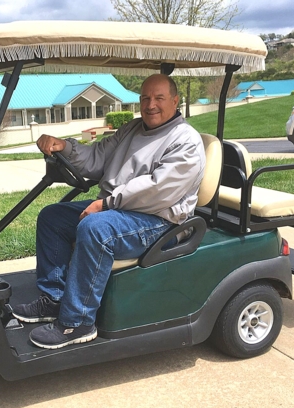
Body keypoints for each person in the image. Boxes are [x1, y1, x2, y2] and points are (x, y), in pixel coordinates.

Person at [12, 74, 206, 349]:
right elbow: (96, 159)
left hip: (159, 219)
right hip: (121, 209)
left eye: (159, 98)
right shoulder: (132, 129)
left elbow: (157, 190)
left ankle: (77, 322)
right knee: (52, 217)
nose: (151, 105)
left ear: (175, 101)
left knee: (95, 228)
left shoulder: (185, 141)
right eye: (145, 98)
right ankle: (55, 298)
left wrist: (106, 204)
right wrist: (65, 147)